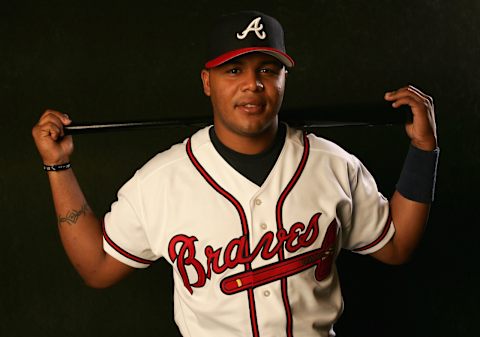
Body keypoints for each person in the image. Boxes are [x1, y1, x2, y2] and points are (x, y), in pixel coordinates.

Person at [32, 10, 439, 337]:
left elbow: (396, 246)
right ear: (207, 82)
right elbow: (98, 267)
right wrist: (58, 166)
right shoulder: (162, 180)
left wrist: (424, 150)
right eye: (234, 70)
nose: (253, 85)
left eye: (267, 69)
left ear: (283, 79)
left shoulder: (333, 165)